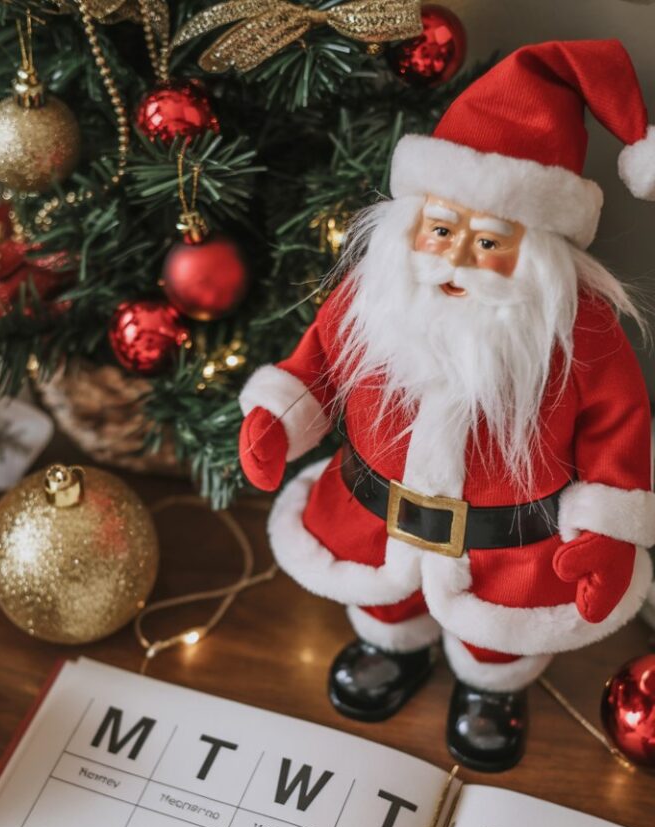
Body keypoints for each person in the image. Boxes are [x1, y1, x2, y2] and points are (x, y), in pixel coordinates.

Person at [238, 39, 655, 771]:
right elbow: (319, 364)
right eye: (442, 232)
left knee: (499, 637)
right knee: (382, 601)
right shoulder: (376, 293)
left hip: (511, 546)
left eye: (489, 242)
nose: (457, 259)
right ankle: (390, 642)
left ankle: (491, 684)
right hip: (372, 516)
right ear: (413, 223)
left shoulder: (579, 331)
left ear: (539, 249)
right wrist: (278, 416)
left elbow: (621, 432)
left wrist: (610, 533)